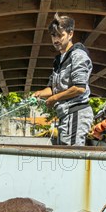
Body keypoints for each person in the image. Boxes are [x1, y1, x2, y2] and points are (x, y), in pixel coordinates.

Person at [33, 13, 93, 146]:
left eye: (60, 35)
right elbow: (53, 88)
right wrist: (40, 94)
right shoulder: (59, 59)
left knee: (71, 155)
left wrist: (54, 99)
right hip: (65, 114)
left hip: (76, 112)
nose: (56, 40)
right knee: (64, 150)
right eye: (53, 35)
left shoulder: (78, 56)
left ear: (70, 34)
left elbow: (79, 88)